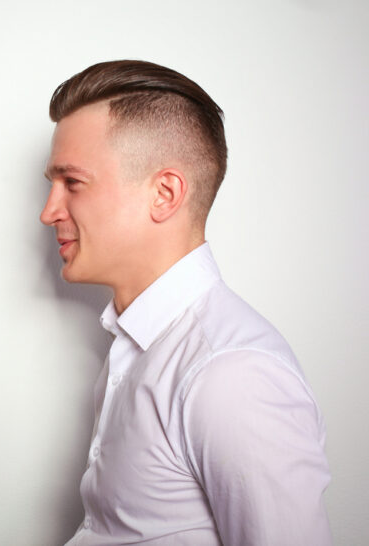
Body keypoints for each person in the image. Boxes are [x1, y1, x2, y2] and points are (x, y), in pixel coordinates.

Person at [41, 60, 331, 545]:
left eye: (72, 183)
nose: (48, 211)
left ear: (165, 193)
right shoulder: (136, 347)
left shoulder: (231, 375)